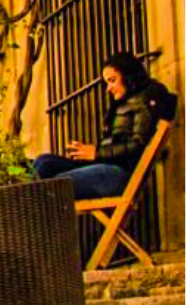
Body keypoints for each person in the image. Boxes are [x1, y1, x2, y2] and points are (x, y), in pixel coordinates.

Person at [33, 52, 176, 199]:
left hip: (119, 174)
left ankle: (31, 206)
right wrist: (90, 153)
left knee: (52, 185)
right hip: (106, 165)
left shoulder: (147, 97)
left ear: (129, 76)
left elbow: (138, 144)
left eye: (112, 80)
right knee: (44, 162)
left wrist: (96, 153)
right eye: (107, 82)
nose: (108, 88)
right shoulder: (126, 102)